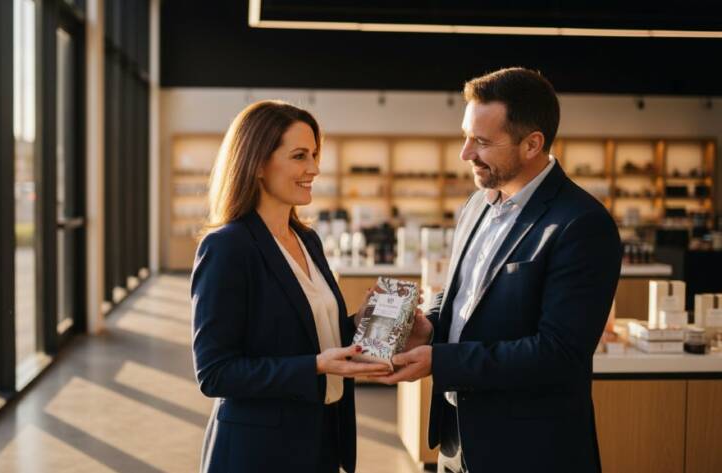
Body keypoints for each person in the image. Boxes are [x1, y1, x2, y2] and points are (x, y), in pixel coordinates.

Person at [376, 68, 623, 473]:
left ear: (532, 144)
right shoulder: (476, 206)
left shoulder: (581, 224)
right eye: (466, 136)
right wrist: (430, 327)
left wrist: (441, 361)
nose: (465, 153)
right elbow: (464, 299)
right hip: (458, 440)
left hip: (530, 449)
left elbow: (558, 354)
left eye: (483, 141)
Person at [191, 100, 391, 473]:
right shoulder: (228, 247)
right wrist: (314, 366)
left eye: (314, 155)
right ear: (258, 163)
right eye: (300, 156)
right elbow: (216, 373)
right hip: (259, 453)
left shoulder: (306, 240)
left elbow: (312, 335)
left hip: (320, 440)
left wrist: (362, 320)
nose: (314, 168)